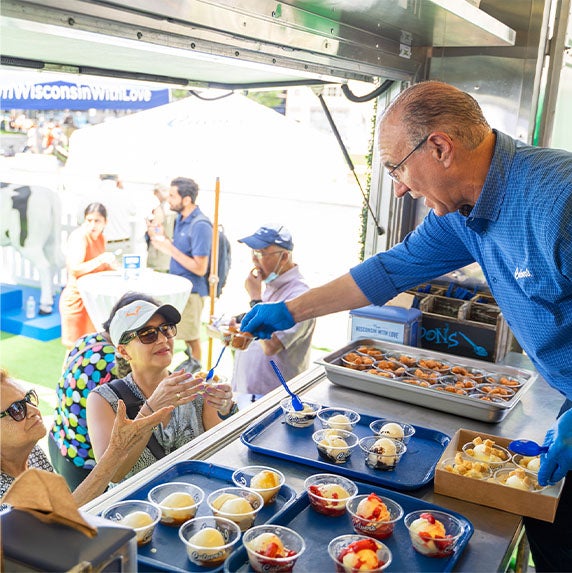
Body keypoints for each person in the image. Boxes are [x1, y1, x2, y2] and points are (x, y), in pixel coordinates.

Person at [239, 81, 572, 572]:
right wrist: (292, 310)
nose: (397, 186)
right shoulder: (464, 211)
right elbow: (389, 270)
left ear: (439, 147)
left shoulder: (558, 200)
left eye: (397, 167)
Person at [86, 297, 237, 483]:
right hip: (136, 509)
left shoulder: (194, 387)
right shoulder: (103, 400)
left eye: (166, 329)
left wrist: (226, 409)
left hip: (192, 502)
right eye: (148, 334)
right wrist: (152, 407)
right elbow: (113, 474)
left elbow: (222, 448)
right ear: (124, 351)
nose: (163, 339)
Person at [0, 369, 172, 507]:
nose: (33, 410)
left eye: (28, 399)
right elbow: (52, 531)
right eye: (16, 409)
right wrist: (116, 451)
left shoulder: (32, 453)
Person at [48, 292, 158, 491]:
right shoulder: (114, 366)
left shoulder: (87, 340)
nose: (157, 338)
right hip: (85, 461)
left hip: (59, 439)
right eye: (148, 333)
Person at [231, 224, 315, 406]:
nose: (254, 259)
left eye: (261, 253)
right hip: (248, 391)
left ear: (284, 256)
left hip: (273, 398)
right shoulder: (271, 286)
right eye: (253, 252)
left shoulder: (299, 295)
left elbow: (272, 346)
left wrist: (254, 298)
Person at [149, 177, 212, 370]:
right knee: (180, 334)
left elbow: (200, 268)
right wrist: (161, 239)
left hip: (193, 291)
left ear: (186, 199)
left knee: (192, 338)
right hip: (180, 289)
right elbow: (177, 249)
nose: (169, 199)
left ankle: (197, 375)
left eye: (173, 195)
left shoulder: (200, 225)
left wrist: (169, 249)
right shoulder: (181, 219)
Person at [59, 202, 117, 349]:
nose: (93, 225)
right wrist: (101, 259)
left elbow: (101, 268)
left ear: (105, 222)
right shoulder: (79, 237)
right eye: (89, 220)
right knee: (73, 350)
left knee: (91, 347)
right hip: (76, 300)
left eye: (97, 221)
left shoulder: (101, 238)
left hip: (92, 301)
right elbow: (75, 269)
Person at [146, 184, 176, 272]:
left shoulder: (162, 209)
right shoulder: (169, 208)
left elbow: (156, 229)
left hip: (160, 255)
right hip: (167, 254)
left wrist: (151, 228)